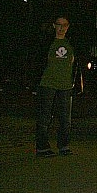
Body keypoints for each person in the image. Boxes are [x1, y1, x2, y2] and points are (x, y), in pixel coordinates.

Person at [35, 15, 76, 157]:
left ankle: (63, 145)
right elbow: (38, 62)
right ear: (54, 26)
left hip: (65, 86)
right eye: (59, 24)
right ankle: (42, 148)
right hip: (47, 84)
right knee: (44, 117)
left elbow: (75, 64)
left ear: (68, 27)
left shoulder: (71, 43)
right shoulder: (47, 42)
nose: (61, 28)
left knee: (65, 118)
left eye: (64, 25)